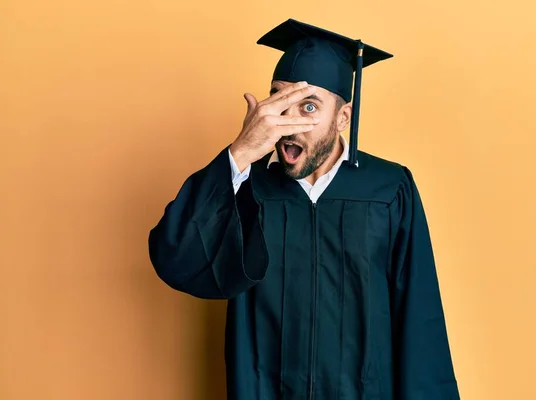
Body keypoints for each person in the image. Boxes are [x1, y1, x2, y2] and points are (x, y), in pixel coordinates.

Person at [148, 18, 460, 400]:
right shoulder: (246, 185)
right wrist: (240, 152)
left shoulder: (389, 189)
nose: (290, 123)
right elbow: (176, 255)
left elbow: (419, 316)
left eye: (308, 106)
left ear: (343, 117)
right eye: (281, 103)